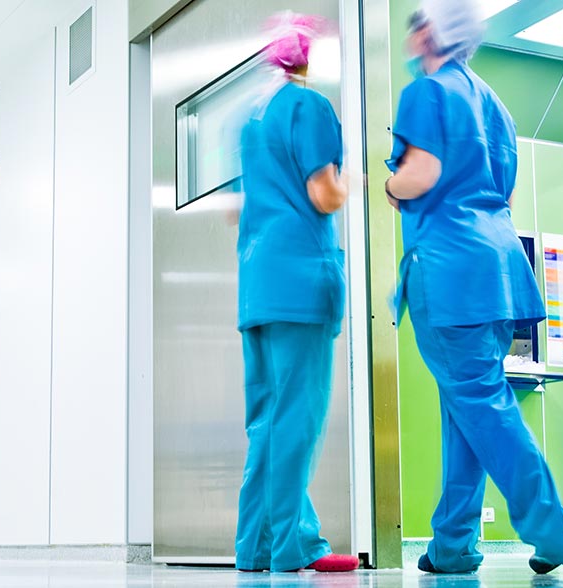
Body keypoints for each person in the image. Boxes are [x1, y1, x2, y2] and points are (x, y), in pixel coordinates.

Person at [385, 0, 563, 575]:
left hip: (450, 273)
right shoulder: (495, 104)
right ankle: (452, 545)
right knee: (467, 409)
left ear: (431, 35)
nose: (412, 32)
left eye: (418, 22)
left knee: (483, 406)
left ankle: (553, 531)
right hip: (498, 269)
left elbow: (419, 174)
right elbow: (502, 191)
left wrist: (390, 185)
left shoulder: (426, 93)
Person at [232, 11, 356, 575]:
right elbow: (324, 193)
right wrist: (360, 181)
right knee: (297, 420)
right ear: (307, 56)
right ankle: (290, 546)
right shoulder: (308, 107)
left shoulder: (252, 122)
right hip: (301, 283)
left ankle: (255, 546)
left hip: (257, 285)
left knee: (266, 419)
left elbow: (242, 207)